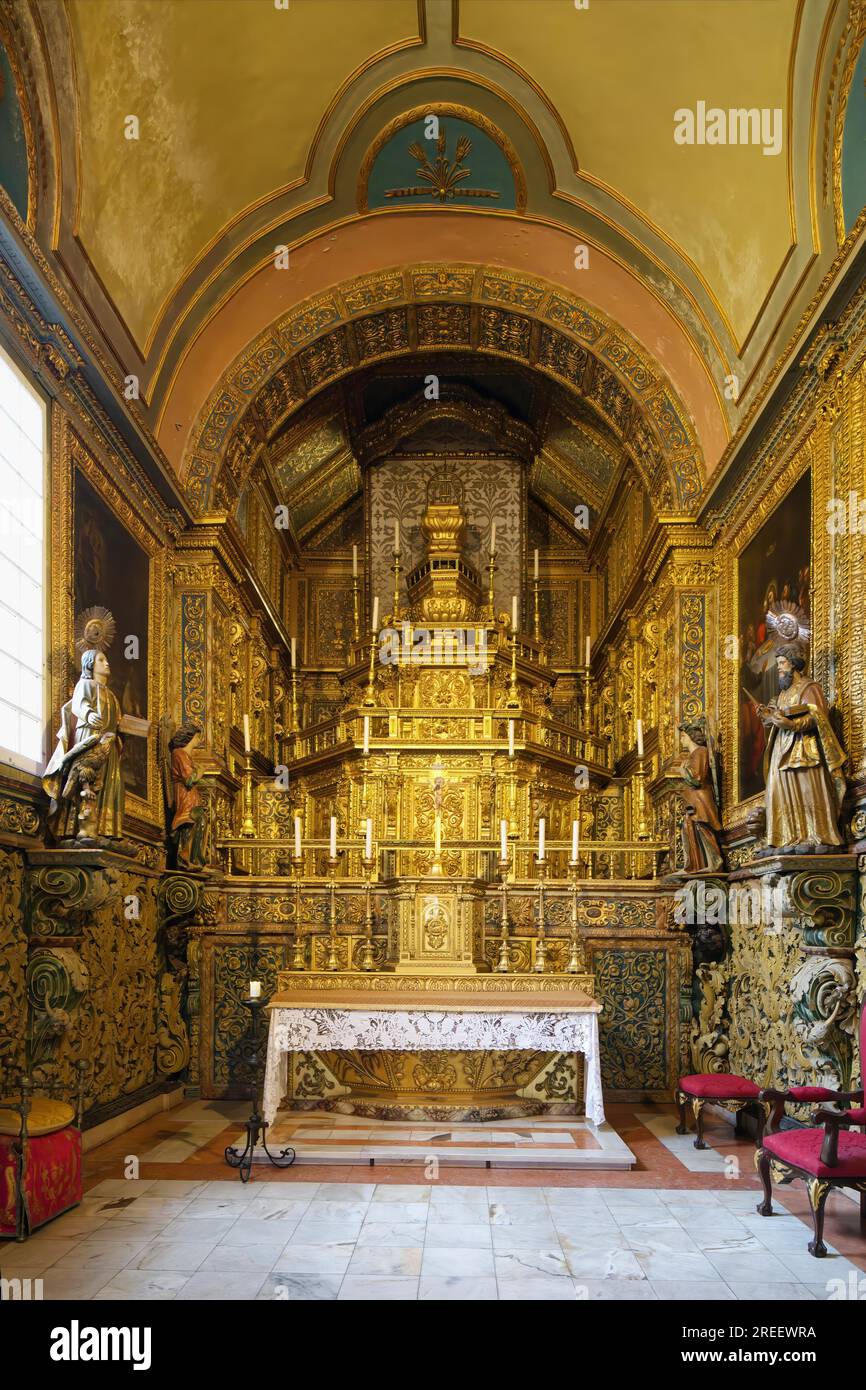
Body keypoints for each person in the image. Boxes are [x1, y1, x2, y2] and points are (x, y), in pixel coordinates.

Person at [755, 645, 845, 854]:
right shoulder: (782, 695)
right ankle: (787, 836)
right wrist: (768, 715)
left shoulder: (808, 687)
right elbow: (776, 717)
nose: (779, 669)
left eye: (781, 664)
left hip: (803, 747)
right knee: (780, 790)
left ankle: (814, 834)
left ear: (793, 664)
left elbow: (817, 716)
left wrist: (792, 725)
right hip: (782, 748)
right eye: (778, 664)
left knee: (806, 788)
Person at [43, 648, 124, 840]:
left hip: (109, 744)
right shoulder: (86, 684)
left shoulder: (112, 696)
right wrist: (88, 713)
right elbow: (79, 704)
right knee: (86, 779)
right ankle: (77, 828)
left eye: (106, 660)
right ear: (90, 664)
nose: (107, 663)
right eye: (101, 660)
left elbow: (117, 720)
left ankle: (103, 828)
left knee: (110, 782)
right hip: (90, 736)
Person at [667, 721, 723, 872]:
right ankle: (695, 865)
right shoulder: (694, 755)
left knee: (702, 828)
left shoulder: (700, 752)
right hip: (694, 799)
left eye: (683, 736)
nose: (681, 740)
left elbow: (696, 777)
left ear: (690, 736)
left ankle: (713, 862)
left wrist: (683, 769)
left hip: (700, 798)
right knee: (689, 829)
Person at [168, 722, 209, 868]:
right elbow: (189, 779)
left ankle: (195, 859)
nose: (199, 741)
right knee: (189, 822)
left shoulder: (186, 755)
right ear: (193, 737)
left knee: (200, 822)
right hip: (185, 795)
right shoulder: (179, 753)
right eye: (199, 737)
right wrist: (201, 771)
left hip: (191, 796)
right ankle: (184, 860)